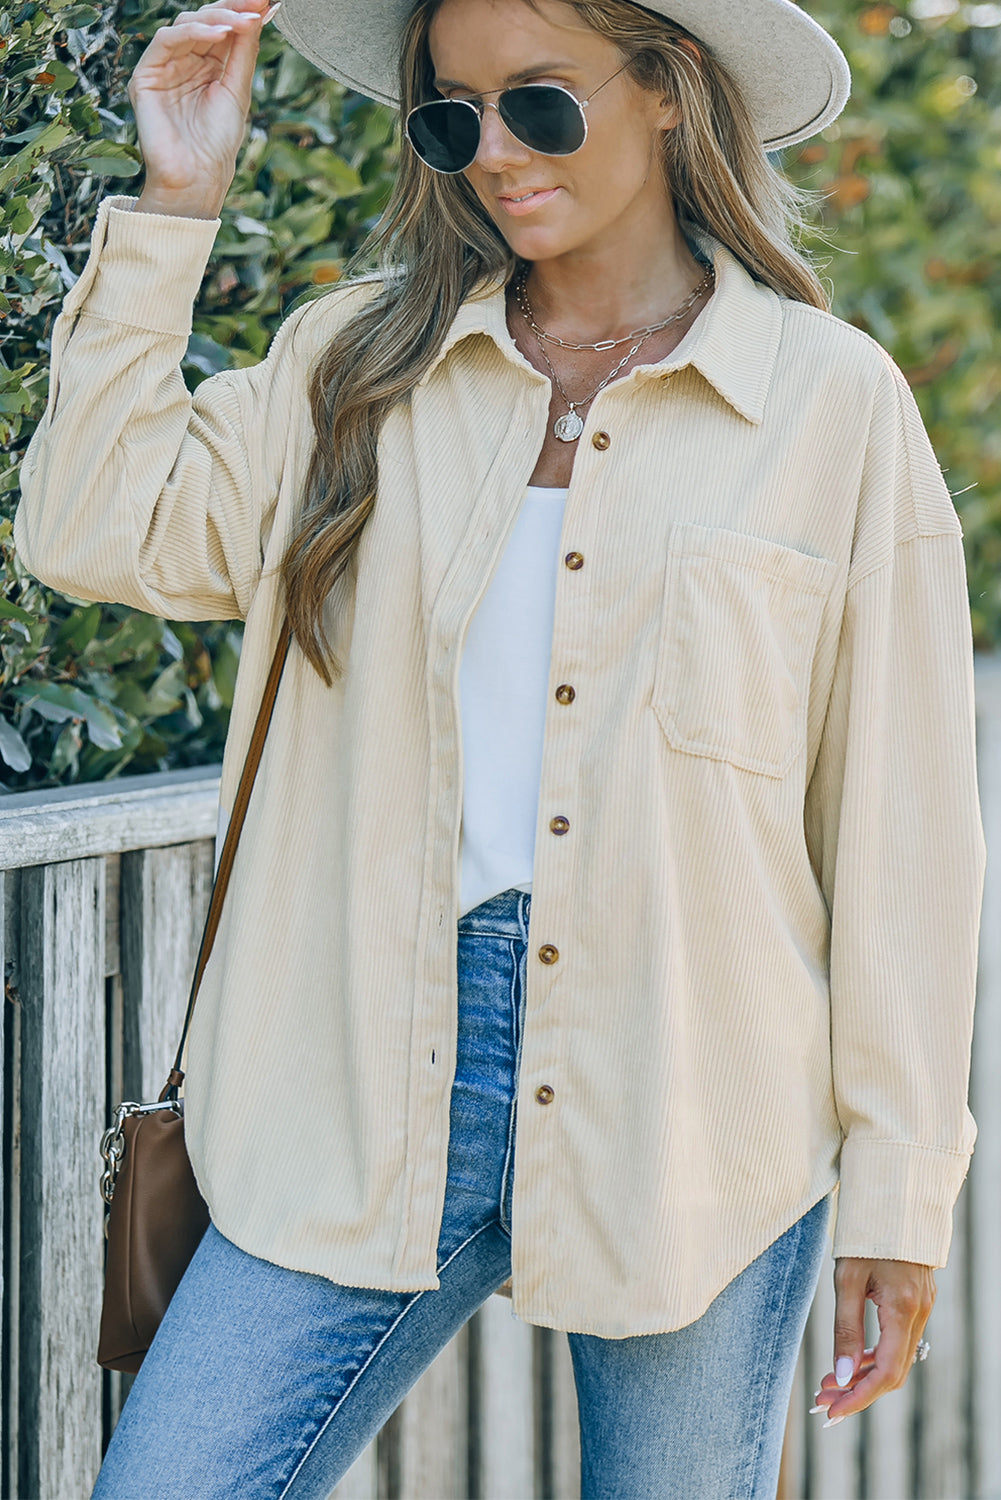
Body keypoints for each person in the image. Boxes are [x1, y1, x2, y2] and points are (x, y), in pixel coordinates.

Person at [14, 0, 984, 1489]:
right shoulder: (356, 364)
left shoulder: (829, 406)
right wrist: (177, 199)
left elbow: (903, 838)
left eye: (538, 102)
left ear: (668, 90)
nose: (495, 157)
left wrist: (899, 1201)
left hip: (692, 1110)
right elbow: (91, 526)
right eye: (451, 118)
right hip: (350, 1083)